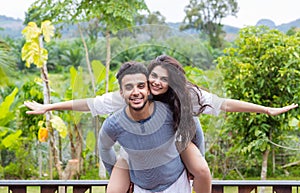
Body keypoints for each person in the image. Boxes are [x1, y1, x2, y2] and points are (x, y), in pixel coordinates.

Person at [24, 55, 298, 193]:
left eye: (163, 79)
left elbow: (223, 105)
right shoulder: (136, 94)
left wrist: (266, 110)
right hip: (138, 148)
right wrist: (49, 106)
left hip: (177, 140)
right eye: (153, 76)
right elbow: (90, 104)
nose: (156, 83)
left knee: (201, 169)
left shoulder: (186, 95)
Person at [99, 61, 192, 192]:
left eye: (141, 86)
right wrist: (118, 173)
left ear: (148, 89)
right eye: (129, 87)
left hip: (176, 184)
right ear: (121, 92)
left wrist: (193, 165)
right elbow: (104, 147)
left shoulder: (169, 112)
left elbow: (194, 129)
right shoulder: (113, 124)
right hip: (141, 187)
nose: (135, 92)